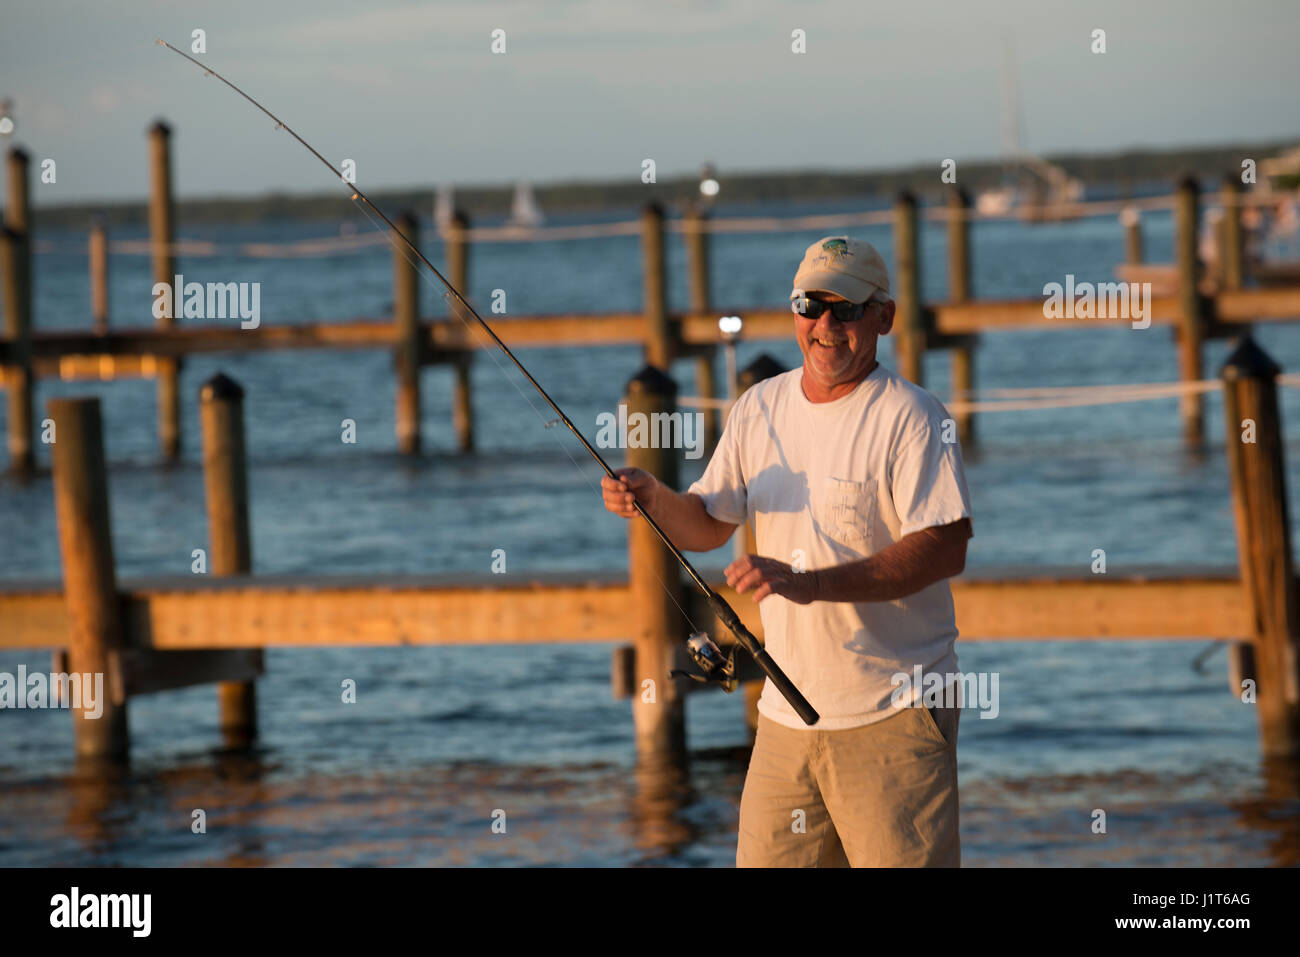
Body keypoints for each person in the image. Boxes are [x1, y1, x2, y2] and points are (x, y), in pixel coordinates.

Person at [601, 235, 974, 867]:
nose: (826, 324)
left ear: (884, 316)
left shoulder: (912, 416)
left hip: (895, 713)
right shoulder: (758, 408)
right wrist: (653, 497)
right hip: (785, 720)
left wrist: (814, 583)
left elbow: (944, 549)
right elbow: (707, 522)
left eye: (847, 309)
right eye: (811, 304)